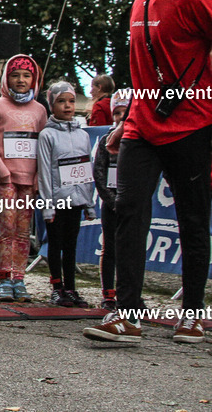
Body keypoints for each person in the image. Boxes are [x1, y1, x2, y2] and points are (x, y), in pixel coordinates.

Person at [84, 0, 212, 345]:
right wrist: (124, 123)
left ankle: (192, 314)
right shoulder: (139, 4)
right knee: (127, 210)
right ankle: (128, 314)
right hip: (143, 125)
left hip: (192, 125)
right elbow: (142, 73)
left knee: (192, 219)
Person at [0, 54, 47, 303]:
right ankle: (4, 279)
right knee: (6, 228)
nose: (21, 80)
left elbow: (44, 144)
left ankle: (19, 278)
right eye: (15, 75)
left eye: (26, 75)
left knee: (22, 231)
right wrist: (0, 167)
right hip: (4, 179)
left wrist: (39, 175)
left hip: (29, 180)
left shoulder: (40, 110)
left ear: (34, 79)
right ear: (7, 77)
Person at [38, 82, 96, 308]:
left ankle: (71, 287)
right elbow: (44, 171)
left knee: (72, 245)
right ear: (52, 104)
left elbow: (86, 170)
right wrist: (48, 205)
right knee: (55, 243)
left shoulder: (83, 135)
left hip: (77, 200)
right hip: (56, 199)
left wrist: (89, 205)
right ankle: (56, 287)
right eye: (61, 101)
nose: (67, 106)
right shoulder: (47, 135)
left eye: (71, 101)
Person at [92, 89, 131, 311]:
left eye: (126, 112)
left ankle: (131, 293)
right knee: (110, 248)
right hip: (112, 204)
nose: (121, 117)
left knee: (131, 249)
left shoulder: (139, 143)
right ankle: (108, 293)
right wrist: (112, 201)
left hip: (132, 205)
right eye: (117, 113)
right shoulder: (106, 140)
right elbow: (99, 173)